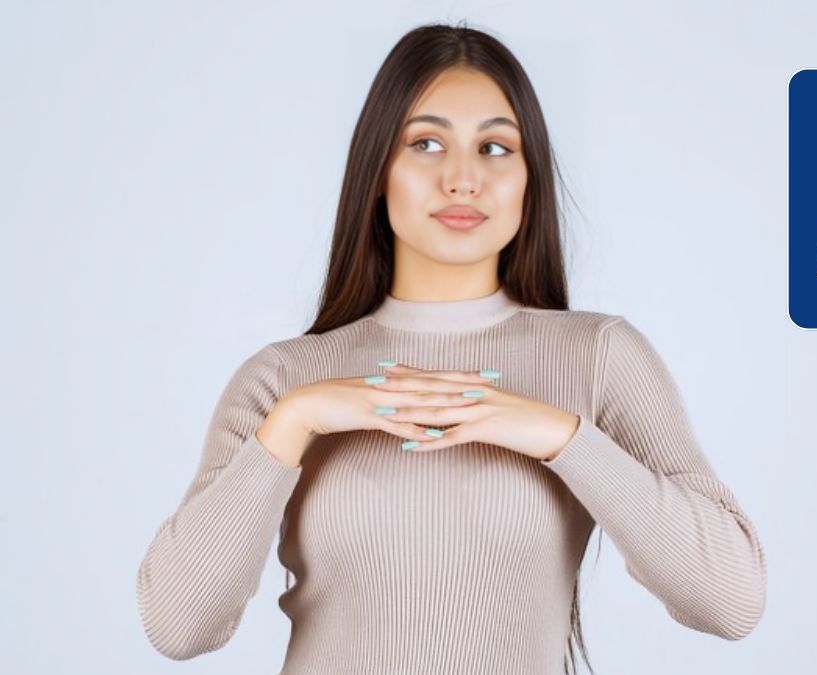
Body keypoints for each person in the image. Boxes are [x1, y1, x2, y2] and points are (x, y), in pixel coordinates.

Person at [135, 21, 767, 675]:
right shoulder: (283, 380)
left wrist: (560, 436)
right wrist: (293, 422)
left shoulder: (599, 358)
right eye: (427, 143)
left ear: (530, 178)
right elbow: (180, 625)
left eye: (495, 147)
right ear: (379, 171)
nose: (463, 179)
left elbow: (731, 599)